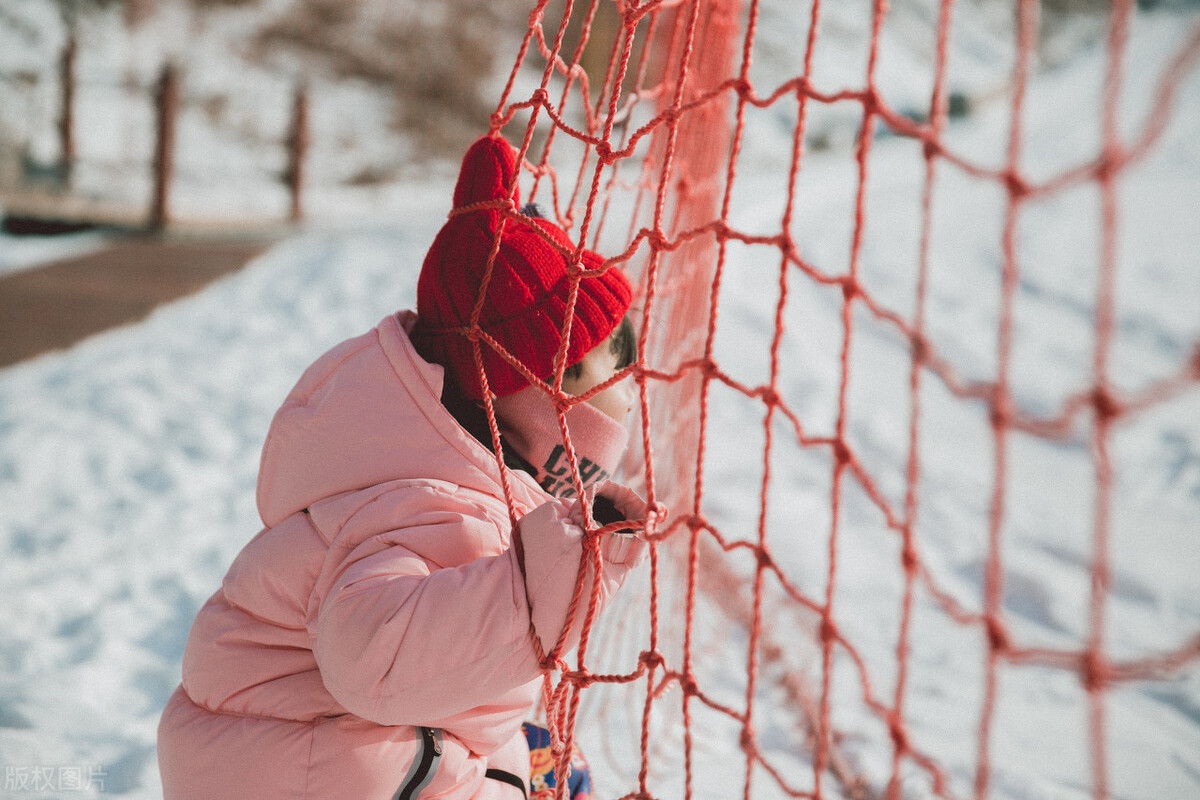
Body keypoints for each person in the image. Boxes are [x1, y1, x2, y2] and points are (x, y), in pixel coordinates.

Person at [157, 134, 655, 799]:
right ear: (537, 389)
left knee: (540, 760)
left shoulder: (452, 465)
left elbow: (444, 682)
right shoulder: (432, 502)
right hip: (304, 764)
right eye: (613, 366)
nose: (631, 389)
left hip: (303, 748)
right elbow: (374, 658)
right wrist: (551, 576)